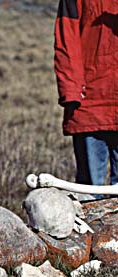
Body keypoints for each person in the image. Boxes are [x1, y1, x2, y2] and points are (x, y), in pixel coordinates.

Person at [54, 0, 118, 187]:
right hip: (89, 104)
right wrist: (71, 92)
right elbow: (67, 39)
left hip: (89, 104)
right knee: (89, 191)